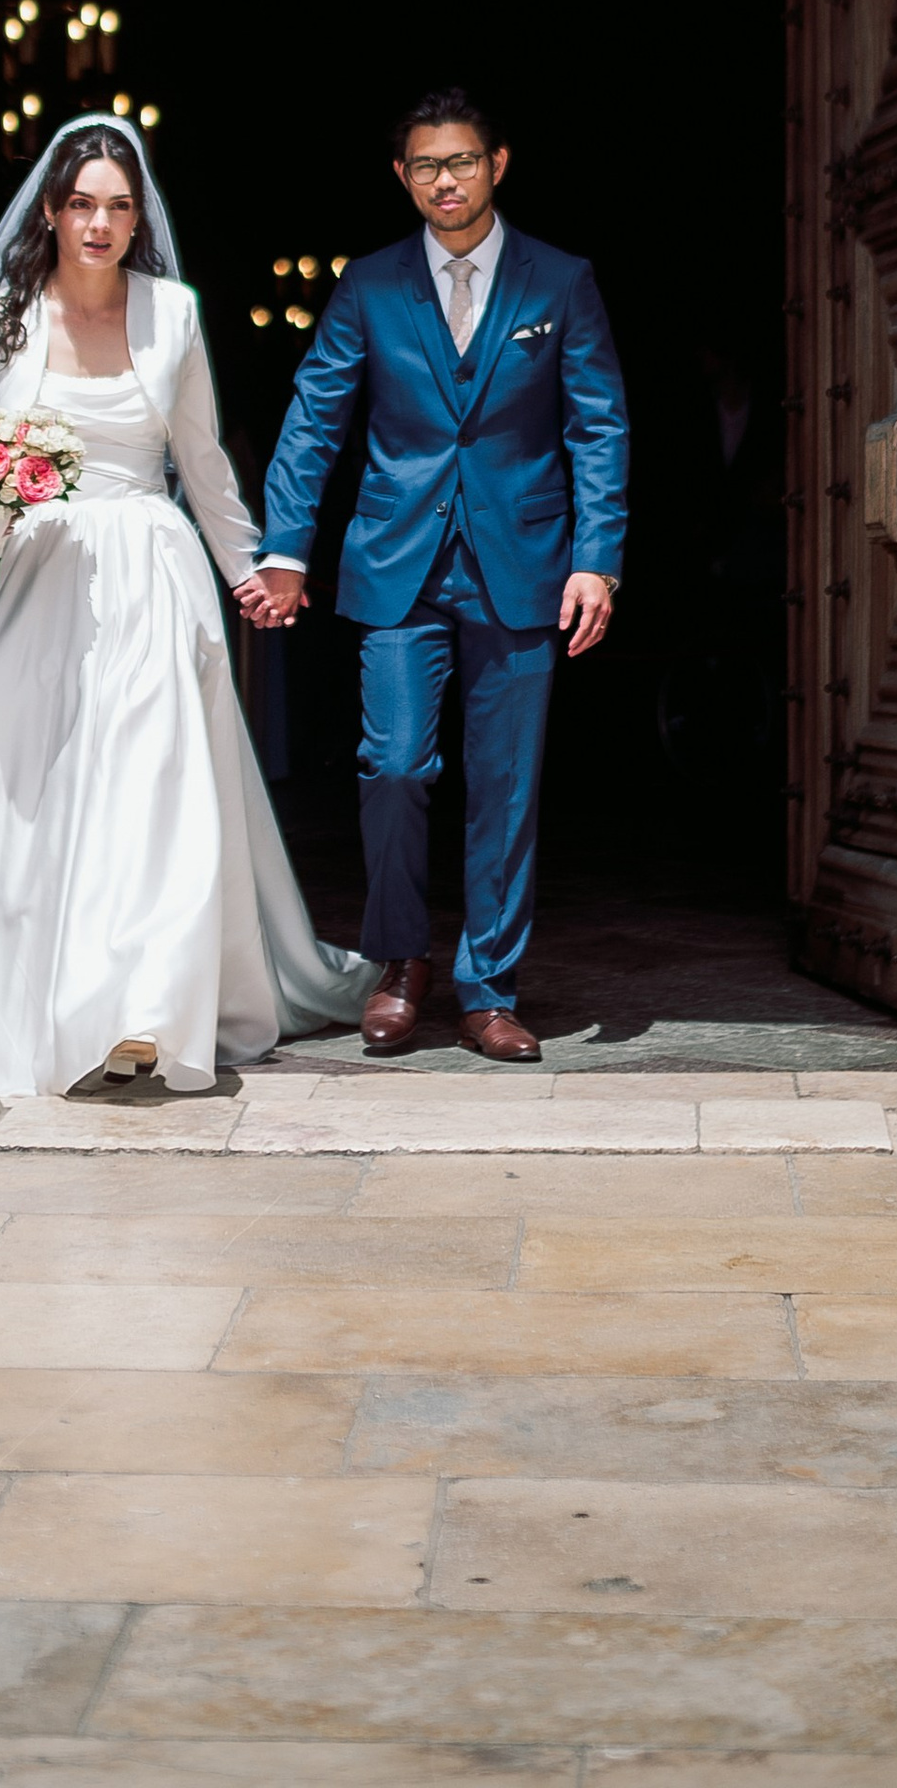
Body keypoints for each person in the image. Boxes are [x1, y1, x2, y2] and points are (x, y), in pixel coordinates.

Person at [0, 119, 372, 1097]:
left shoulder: (175, 313)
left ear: (137, 214)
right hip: (37, 571)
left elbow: (201, 459)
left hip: (151, 567)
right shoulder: (0, 320)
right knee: (25, 788)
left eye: (118, 204)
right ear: (51, 211)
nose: (100, 221)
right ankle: (29, 990)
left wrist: (250, 568)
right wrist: (3, 486)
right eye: (82, 203)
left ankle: (140, 1008)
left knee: (149, 787)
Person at [259, 90, 629, 1063]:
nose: (446, 180)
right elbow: (313, 417)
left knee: (504, 787)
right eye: (426, 165)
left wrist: (597, 557)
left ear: (497, 162)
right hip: (396, 566)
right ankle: (397, 960)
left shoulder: (560, 281)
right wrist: (286, 546)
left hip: (523, 565)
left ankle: (488, 987)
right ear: (401, 176)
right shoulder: (369, 284)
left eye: (461, 160)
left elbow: (598, 424)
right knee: (391, 766)